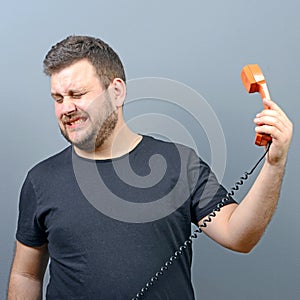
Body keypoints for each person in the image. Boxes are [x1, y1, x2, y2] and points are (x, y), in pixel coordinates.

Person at [8, 35, 293, 300]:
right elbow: (26, 273)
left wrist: (275, 163)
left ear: (117, 92)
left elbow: (239, 235)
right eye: (58, 99)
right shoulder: (40, 180)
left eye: (77, 94)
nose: (65, 109)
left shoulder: (179, 164)